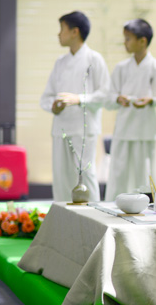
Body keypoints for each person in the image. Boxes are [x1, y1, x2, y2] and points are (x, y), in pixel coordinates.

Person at [40, 11, 110, 201]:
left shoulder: (94, 60)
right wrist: (54, 107)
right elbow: (46, 97)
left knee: (85, 176)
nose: (58, 34)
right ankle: (63, 223)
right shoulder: (60, 63)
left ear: (74, 32)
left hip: (83, 129)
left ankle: (95, 220)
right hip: (61, 127)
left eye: (61, 29)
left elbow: (105, 95)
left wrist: (78, 99)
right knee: (62, 177)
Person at [104, 19, 156, 200]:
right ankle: (115, 211)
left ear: (142, 41)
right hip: (124, 131)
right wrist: (118, 98)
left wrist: (151, 100)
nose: (125, 43)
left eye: (128, 39)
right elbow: (107, 99)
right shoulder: (121, 68)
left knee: (148, 178)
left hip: (147, 131)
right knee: (120, 177)